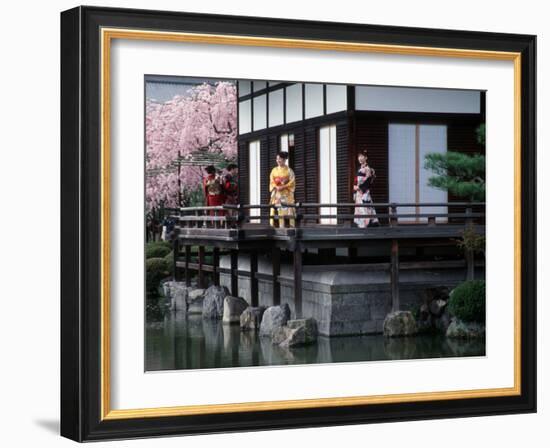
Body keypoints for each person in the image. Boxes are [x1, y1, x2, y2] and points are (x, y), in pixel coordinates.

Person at [353, 150, 380, 228]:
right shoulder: (360, 168)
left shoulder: (367, 168)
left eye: (362, 156)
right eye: (359, 156)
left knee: (364, 208)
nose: (360, 158)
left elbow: (368, 181)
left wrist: (360, 188)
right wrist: (354, 191)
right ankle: (362, 225)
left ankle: (366, 224)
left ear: (366, 158)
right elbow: (356, 180)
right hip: (359, 192)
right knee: (361, 208)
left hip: (363, 191)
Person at [269, 151, 296, 227]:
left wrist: (284, 186)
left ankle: (291, 226)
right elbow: (271, 180)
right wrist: (276, 186)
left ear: (284, 160)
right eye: (277, 159)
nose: (278, 160)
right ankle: (275, 226)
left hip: (286, 193)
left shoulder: (289, 170)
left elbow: (292, 182)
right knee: (276, 209)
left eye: (280, 159)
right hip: (277, 192)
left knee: (289, 209)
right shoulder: (274, 170)